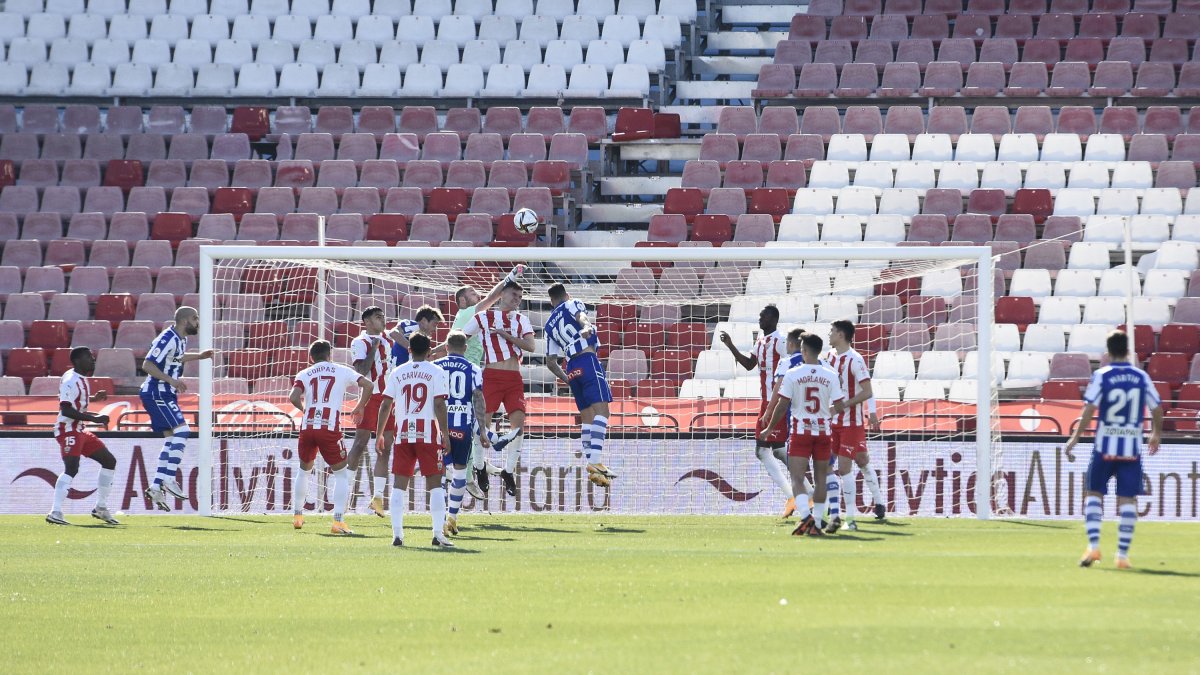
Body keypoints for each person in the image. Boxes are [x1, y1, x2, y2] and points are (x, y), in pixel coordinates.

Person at [1064, 330, 1163, 570]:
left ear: (1107, 353)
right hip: (1131, 447)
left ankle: (1094, 546)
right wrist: (1156, 433)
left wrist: (1075, 437)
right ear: (1128, 351)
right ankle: (1122, 555)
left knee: (1094, 493)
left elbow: (1089, 409)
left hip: (1104, 446)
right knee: (1128, 499)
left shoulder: (1102, 375)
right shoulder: (1141, 377)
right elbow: (1157, 408)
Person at [449, 265, 525, 497]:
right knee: (473, 424)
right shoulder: (468, 313)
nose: (477, 296)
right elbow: (492, 298)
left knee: (475, 422)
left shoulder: (466, 319)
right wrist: (510, 277)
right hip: (467, 374)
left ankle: (479, 465)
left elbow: (451, 342)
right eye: (472, 294)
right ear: (462, 300)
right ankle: (470, 473)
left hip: (472, 373)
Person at [761, 333, 846, 537]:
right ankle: (816, 522)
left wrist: (770, 428)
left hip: (801, 432)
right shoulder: (830, 374)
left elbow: (782, 405)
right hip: (823, 433)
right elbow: (841, 406)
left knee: (797, 478)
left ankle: (806, 517)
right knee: (821, 478)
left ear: (804, 351)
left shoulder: (793, 373)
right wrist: (826, 413)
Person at [288, 340, 373, 534]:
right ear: (329, 355)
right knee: (341, 474)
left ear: (311, 357)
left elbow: (293, 397)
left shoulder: (304, 373)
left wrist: (306, 410)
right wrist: (360, 406)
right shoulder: (341, 370)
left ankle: (298, 516)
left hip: (308, 427)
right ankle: (338, 521)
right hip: (328, 428)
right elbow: (368, 384)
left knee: (304, 471)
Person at [377, 333, 454, 548]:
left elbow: (385, 405)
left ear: (409, 350)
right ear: (430, 351)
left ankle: (397, 535)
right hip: (428, 435)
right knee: (435, 484)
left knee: (399, 485)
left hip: (403, 434)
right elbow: (439, 405)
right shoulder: (436, 371)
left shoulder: (397, 372)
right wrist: (445, 435)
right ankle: (438, 534)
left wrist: (380, 434)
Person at [720, 305, 792, 517]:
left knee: (766, 450)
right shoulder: (760, 342)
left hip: (777, 401)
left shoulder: (781, 341)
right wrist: (731, 346)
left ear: (774, 319)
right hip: (765, 401)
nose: (760, 318)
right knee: (773, 451)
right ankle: (800, 493)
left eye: (764, 316)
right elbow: (750, 364)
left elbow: (792, 367)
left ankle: (800, 492)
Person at [141, 306, 215, 511]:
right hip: (157, 391)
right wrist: (171, 381)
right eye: (195, 318)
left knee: (171, 438)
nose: (197, 322)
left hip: (164, 392)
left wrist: (200, 356)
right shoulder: (168, 338)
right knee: (183, 430)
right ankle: (169, 478)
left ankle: (156, 486)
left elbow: (176, 358)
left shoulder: (181, 339)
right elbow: (147, 365)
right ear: (184, 321)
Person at [543, 283, 616, 487]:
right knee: (602, 412)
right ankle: (595, 464)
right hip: (587, 360)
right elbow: (581, 317)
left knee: (587, 417)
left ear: (551, 301)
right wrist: (586, 326)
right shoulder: (572, 303)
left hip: (572, 367)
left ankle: (592, 466)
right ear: (567, 295)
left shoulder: (549, 325)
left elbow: (550, 362)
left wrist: (568, 378)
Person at [823, 319, 885, 533]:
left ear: (840, 335)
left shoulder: (855, 360)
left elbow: (867, 391)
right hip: (833, 423)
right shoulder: (829, 357)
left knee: (844, 468)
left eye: (832, 331)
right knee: (861, 460)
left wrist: (871, 412)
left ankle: (849, 518)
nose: (829, 335)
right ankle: (879, 503)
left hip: (852, 423)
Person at [46, 347, 119, 526]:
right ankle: (55, 512)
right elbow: (66, 409)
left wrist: (93, 399)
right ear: (78, 360)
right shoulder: (71, 380)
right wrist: (95, 418)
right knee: (72, 467)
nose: (93, 359)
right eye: (89, 357)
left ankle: (100, 508)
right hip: (68, 429)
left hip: (79, 430)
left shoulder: (79, 378)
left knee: (109, 461)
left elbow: (75, 402)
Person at [433, 331, 491, 537]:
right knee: (459, 473)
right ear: (465, 348)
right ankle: (453, 517)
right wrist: (482, 430)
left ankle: (439, 521)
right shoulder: (474, 368)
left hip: (438, 427)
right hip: (462, 427)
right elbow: (478, 399)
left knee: (438, 475)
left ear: (446, 347)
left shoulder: (436, 366)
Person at [346, 306, 394, 518]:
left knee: (386, 448)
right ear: (366, 321)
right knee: (359, 445)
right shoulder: (360, 342)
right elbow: (361, 371)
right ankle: (344, 496)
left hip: (390, 398)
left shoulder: (390, 340)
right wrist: (374, 348)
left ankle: (378, 499)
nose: (382, 319)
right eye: (377, 317)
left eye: (383, 316)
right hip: (370, 398)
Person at [759, 328, 814, 505]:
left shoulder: (786, 362)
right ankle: (822, 506)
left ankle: (807, 502)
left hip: (793, 418)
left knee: (787, 456)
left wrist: (769, 410)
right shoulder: (818, 363)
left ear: (789, 344)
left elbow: (779, 389)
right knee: (823, 467)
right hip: (818, 419)